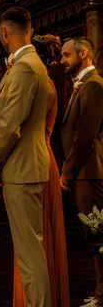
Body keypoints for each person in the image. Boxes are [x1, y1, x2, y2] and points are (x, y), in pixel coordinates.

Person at [0, 6, 51, 307]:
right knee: (30, 250)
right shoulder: (32, 63)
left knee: (29, 253)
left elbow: (10, 126)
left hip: (22, 168)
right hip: (26, 166)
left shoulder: (24, 67)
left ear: (4, 33)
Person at [12, 34, 70, 307]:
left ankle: (33, 300)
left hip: (33, 160)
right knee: (41, 235)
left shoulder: (38, 87)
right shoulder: (47, 85)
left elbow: (16, 127)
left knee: (33, 240)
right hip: (46, 158)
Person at [59, 37, 103, 307]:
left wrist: (68, 171)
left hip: (91, 171)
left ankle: (102, 295)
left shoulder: (94, 85)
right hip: (86, 172)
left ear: (83, 53)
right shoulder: (83, 85)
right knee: (94, 233)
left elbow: (85, 134)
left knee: (98, 233)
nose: (62, 60)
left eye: (66, 55)